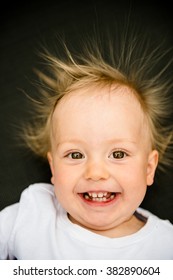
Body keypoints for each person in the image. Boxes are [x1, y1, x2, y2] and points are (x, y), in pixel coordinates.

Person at [0, 28, 173, 260]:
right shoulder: (33, 214)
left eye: (119, 154)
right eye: (75, 155)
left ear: (148, 168)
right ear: (53, 168)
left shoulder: (165, 246)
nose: (96, 172)